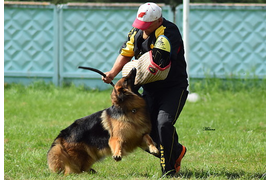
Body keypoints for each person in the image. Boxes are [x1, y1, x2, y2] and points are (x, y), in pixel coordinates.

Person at [102, 2, 188, 177]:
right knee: (139, 131)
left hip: (172, 88)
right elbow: (126, 53)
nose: (143, 30)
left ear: (158, 20)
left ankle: (169, 172)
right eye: (141, 26)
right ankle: (176, 151)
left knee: (163, 124)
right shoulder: (137, 33)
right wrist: (112, 73)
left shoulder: (169, 32)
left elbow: (160, 61)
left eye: (147, 26)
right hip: (149, 89)